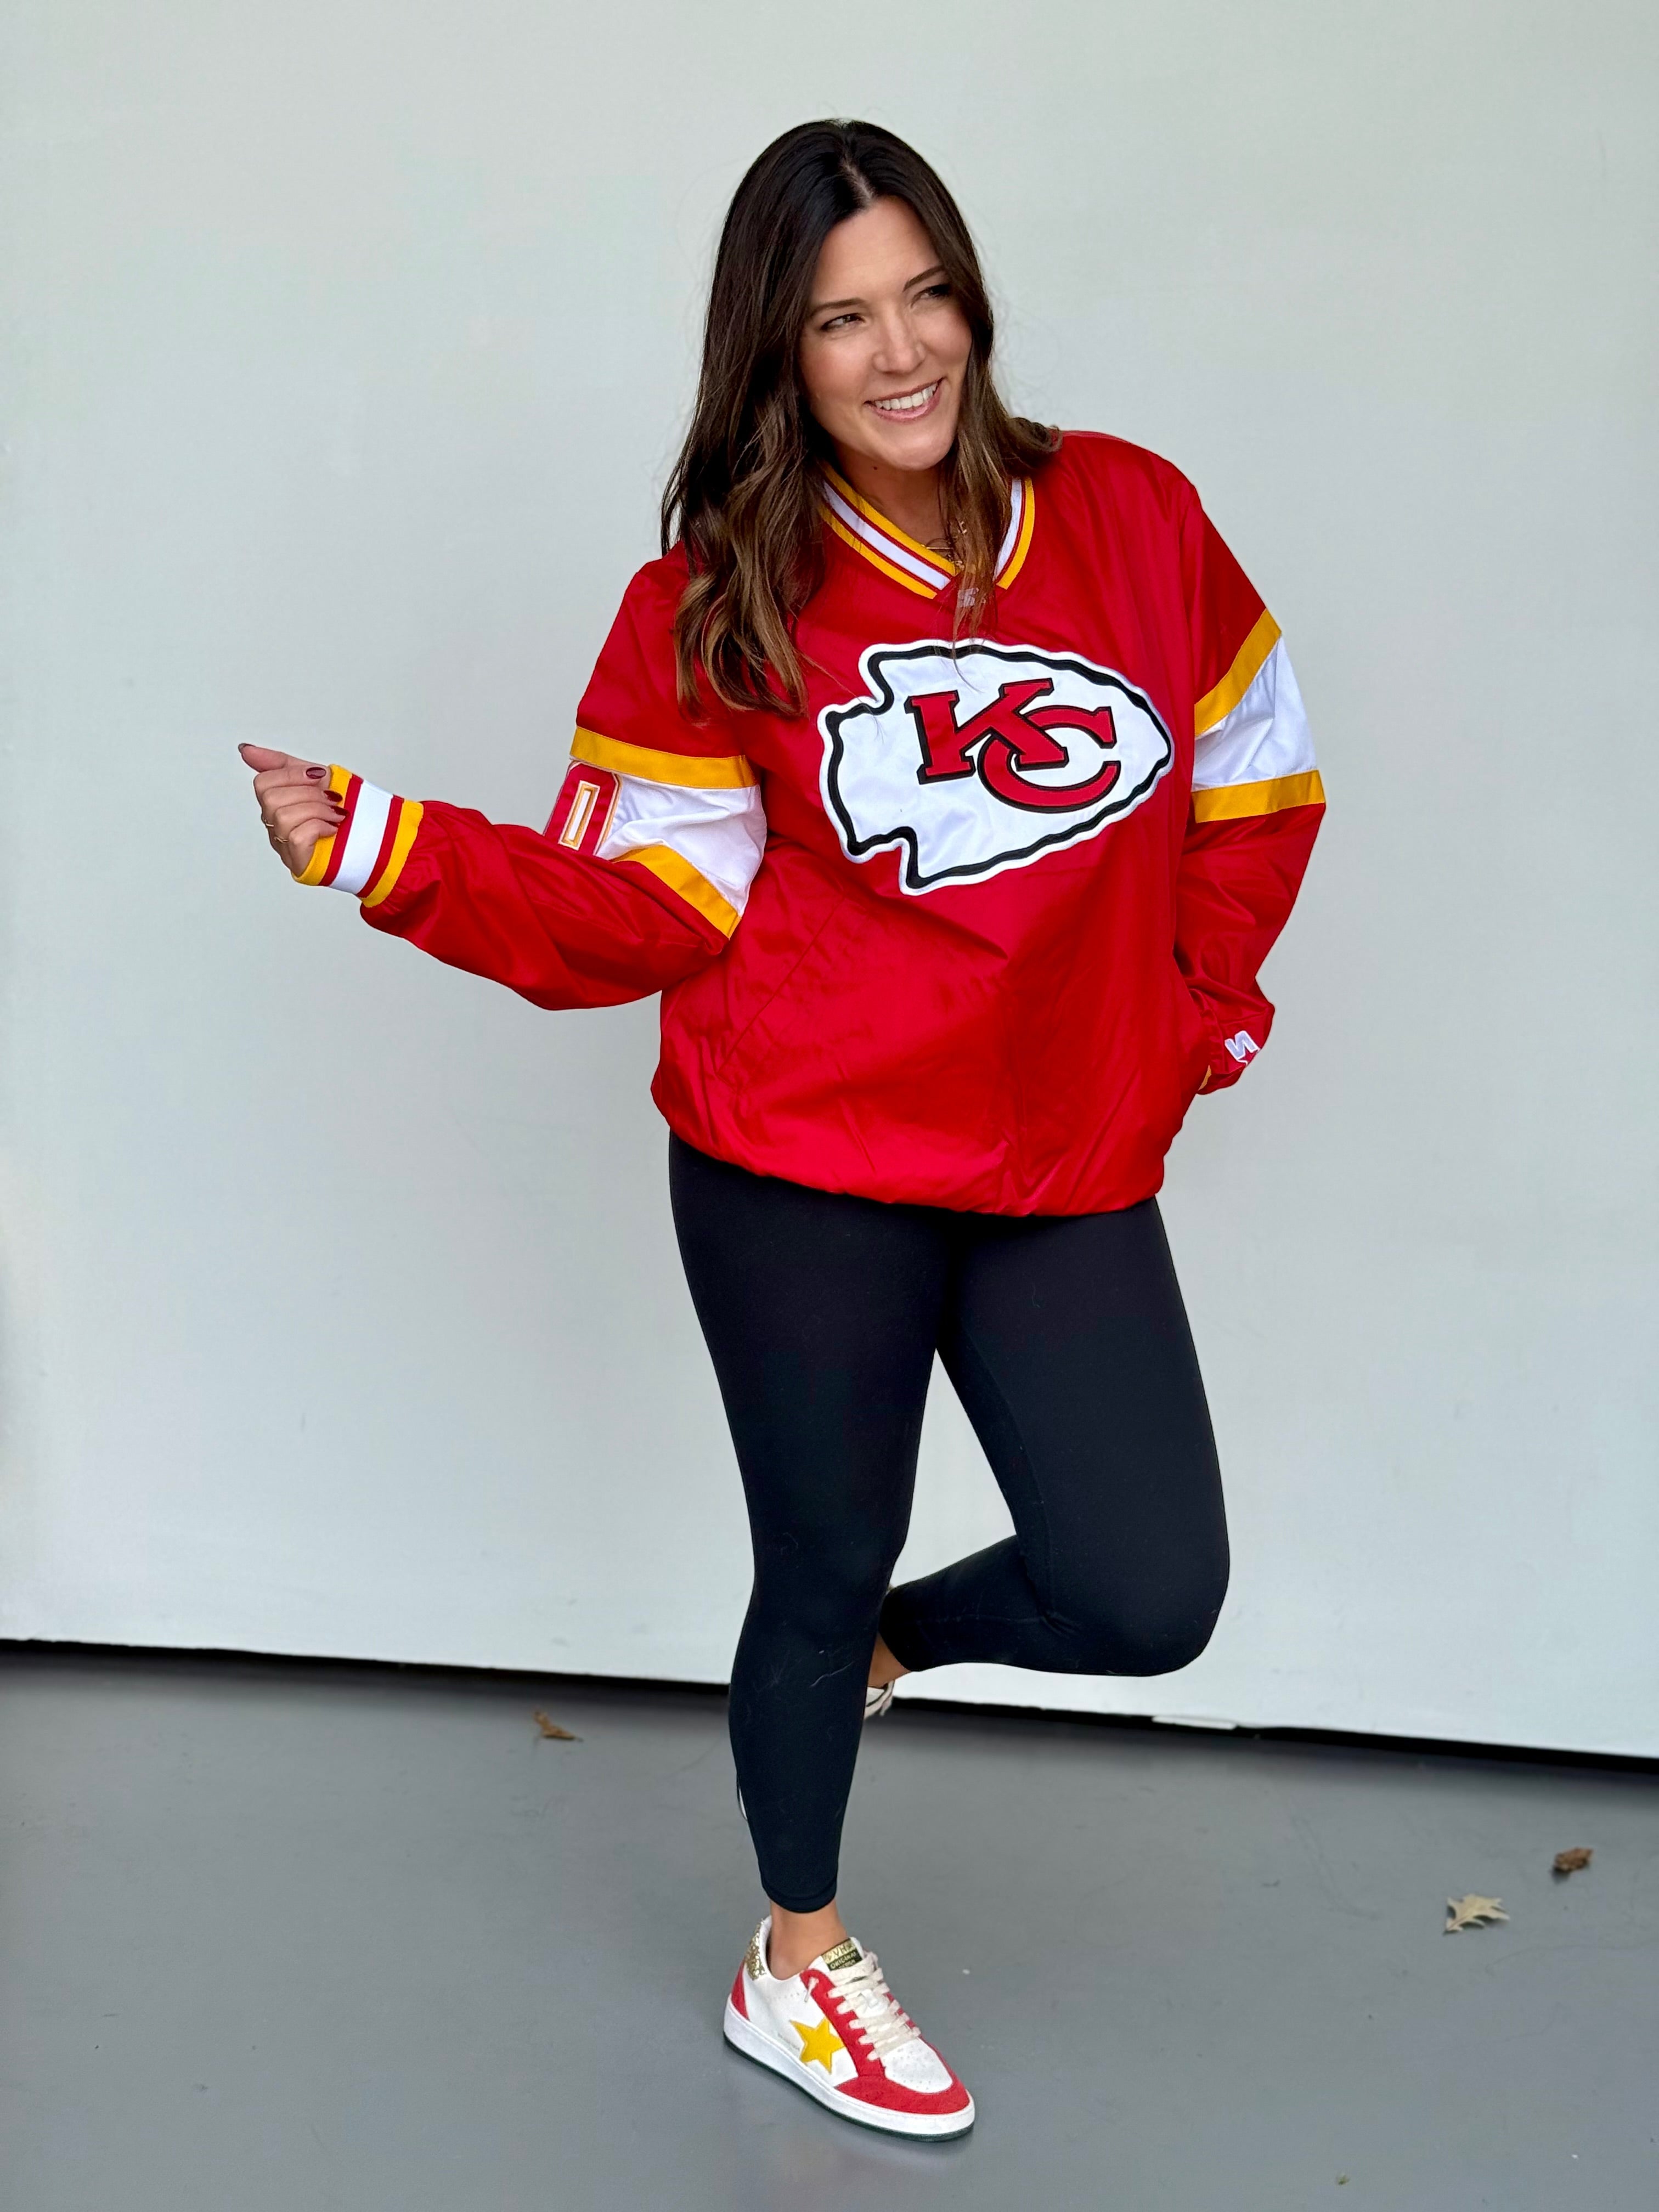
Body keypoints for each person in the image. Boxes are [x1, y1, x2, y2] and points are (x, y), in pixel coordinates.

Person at [241, 119, 1324, 2142]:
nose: (901, 351)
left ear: (972, 300)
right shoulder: (719, 596)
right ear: (779, 352)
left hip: (1059, 1159)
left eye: (927, 295)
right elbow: (642, 906)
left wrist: (1189, 1017)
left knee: (1146, 1587)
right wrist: (391, 848)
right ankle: (799, 1962)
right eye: (842, 319)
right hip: (801, 1158)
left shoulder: (1135, 513)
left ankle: (892, 1647)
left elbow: (1257, 788)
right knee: (818, 1562)